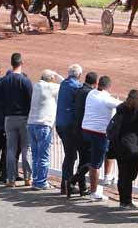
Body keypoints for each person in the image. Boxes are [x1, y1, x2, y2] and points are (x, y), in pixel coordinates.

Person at [81, 75, 121, 202]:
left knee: (98, 156)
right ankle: (94, 192)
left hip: (86, 130)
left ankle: (106, 177)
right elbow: (122, 105)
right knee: (95, 164)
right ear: (109, 87)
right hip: (98, 133)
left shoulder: (91, 93)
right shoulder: (107, 99)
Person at [0, 53, 33, 187]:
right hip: (24, 117)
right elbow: (31, 99)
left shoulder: (4, 80)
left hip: (9, 117)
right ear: (21, 63)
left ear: (11, 63)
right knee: (25, 148)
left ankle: (10, 179)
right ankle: (27, 178)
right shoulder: (25, 81)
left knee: (10, 149)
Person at [113, 89, 138, 209]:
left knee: (123, 174)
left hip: (119, 145)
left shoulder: (121, 108)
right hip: (133, 148)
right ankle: (127, 201)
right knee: (129, 176)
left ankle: (123, 201)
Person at [27, 69, 62, 190]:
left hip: (31, 123)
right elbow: (66, 85)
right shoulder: (51, 88)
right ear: (51, 79)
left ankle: (36, 180)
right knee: (43, 156)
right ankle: (40, 182)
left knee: (36, 155)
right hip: (43, 125)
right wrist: (58, 75)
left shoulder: (36, 85)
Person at [55, 64, 84, 196]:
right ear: (79, 75)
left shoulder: (64, 84)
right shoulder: (75, 86)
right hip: (68, 125)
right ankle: (67, 185)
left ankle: (66, 184)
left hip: (60, 123)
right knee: (71, 156)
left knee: (70, 155)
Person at [70, 71, 99, 196]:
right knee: (88, 161)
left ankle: (82, 188)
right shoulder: (89, 93)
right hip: (84, 131)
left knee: (83, 160)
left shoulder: (79, 90)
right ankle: (73, 181)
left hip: (76, 129)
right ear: (95, 83)